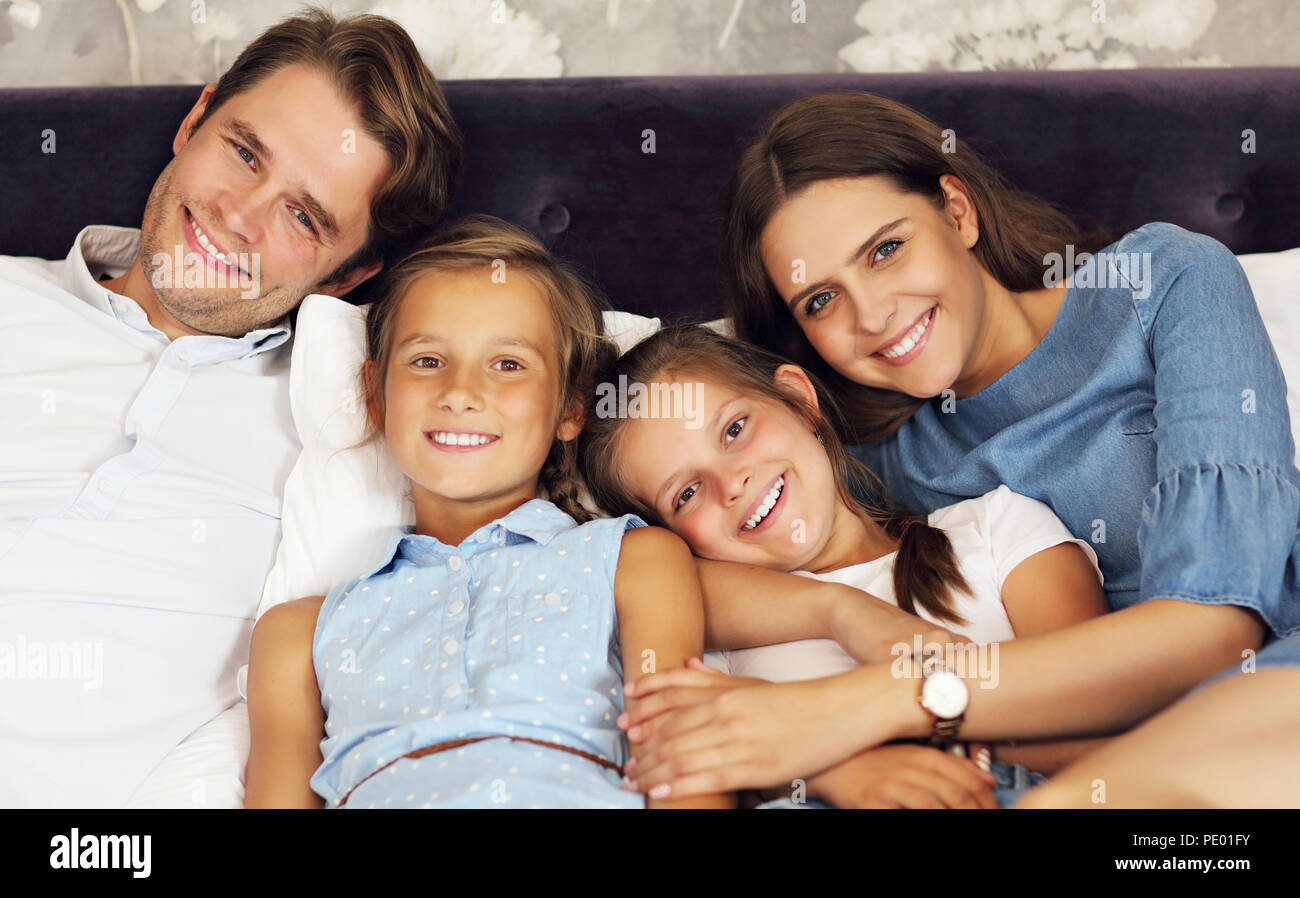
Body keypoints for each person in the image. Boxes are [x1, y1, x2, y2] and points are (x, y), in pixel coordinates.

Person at [614, 91, 1300, 808]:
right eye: (820, 300)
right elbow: (667, 571)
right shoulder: (859, 449)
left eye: (885, 250)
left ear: (958, 211)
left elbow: (1221, 628)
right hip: (1107, 766)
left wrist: (883, 700)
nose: (872, 315)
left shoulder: (1159, 283)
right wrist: (838, 619)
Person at [0, 8, 465, 807]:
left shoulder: (361, 419)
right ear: (195, 119)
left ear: (346, 277)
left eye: (304, 216)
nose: (240, 216)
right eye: (245, 152)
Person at [243, 217, 732, 809]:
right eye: (426, 361)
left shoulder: (632, 560)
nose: (460, 392)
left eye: (508, 364)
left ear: (571, 409)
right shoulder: (299, 634)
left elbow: (686, 776)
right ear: (377, 398)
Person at [580, 323, 1112, 808]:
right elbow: (697, 769)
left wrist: (859, 733)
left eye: (735, 429)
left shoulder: (996, 527)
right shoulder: (704, 641)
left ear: (797, 399)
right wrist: (840, 770)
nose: (733, 483)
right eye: (688, 492)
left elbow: (1101, 720)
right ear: (674, 541)